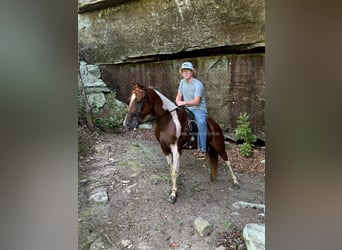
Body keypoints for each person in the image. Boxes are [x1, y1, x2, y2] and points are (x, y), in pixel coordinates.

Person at [175, 62, 207, 159]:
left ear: (192, 72)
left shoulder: (198, 84)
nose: (186, 73)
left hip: (198, 109)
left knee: (201, 122)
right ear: (182, 73)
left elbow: (197, 102)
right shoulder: (182, 82)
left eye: (188, 71)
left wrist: (183, 103)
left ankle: (202, 149)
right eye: (184, 71)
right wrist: (177, 102)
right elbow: (178, 97)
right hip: (187, 108)